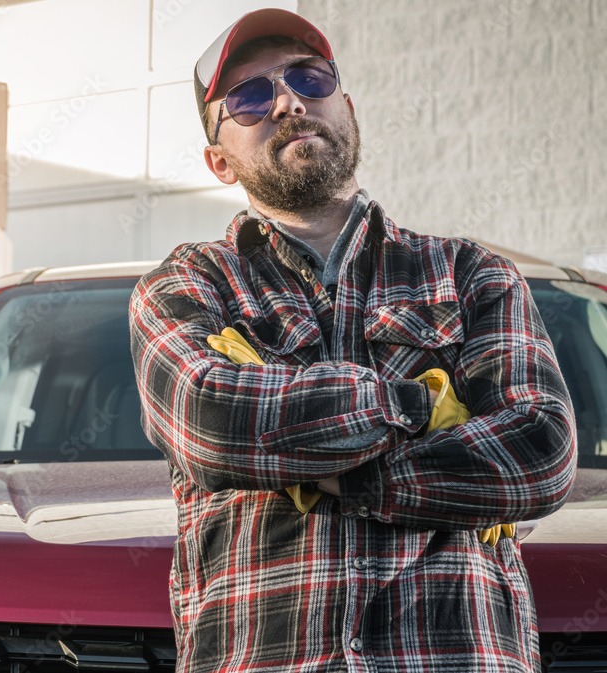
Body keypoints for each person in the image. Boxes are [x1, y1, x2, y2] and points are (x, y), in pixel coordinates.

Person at [128, 8, 577, 673]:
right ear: (219, 160)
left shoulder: (474, 275)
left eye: (310, 78)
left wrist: (343, 473)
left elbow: (540, 449)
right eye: (249, 97)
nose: (288, 100)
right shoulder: (189, 285)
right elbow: (212, 418)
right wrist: (422, 406)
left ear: (349, 109)